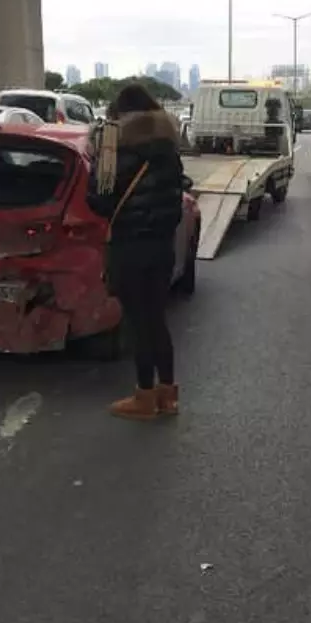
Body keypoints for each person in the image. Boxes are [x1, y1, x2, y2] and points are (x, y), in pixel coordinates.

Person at [88, 83, 186, 420]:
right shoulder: (169, 151)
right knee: (157, 320)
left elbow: (98, 202)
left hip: (130, 247)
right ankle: (168, 394)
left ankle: (144, 397)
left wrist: (95, 161)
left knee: (137, 323)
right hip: (161, 246)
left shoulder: (116, 152)